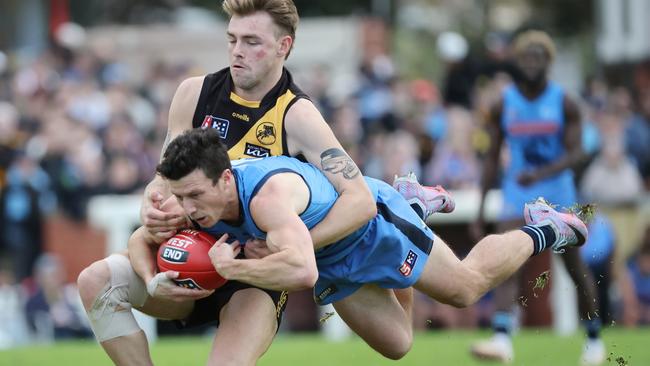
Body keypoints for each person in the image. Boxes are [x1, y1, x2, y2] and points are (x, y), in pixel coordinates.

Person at [76, 1, 446, 364]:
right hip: (193, 251)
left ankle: (404, 223)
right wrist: (151, 204)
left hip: (254, 277)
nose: (237, 52)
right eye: (232, 39)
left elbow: (358, 198)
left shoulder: (298, 115)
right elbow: (162, 178)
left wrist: (283, 248)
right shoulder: (194, 93)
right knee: (95, 281)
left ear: (283, 46)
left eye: (251, 42)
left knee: (400, 343)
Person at [155, 128, 588, 360]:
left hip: (372, 226)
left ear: (226, 178)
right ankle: (418, 208)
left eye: (195, 195)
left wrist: (231, 270)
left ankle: (543, 229)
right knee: (399, 346)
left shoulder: (268, 198)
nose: (188, 207)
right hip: (333, 262)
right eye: (181, 196)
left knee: (465, 288)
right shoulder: (202, 203)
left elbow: (300, 272)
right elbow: (146, 237)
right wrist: (153, 280)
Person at [470, 30, 604, 365]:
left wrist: (541, 176)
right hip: (518, 193)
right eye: (526, 57)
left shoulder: (564, 102)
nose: (532, 62)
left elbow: (577, 153)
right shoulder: (504, 104)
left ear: (549, 62)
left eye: (538, 56)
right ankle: (501, 338)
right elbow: (491, 158)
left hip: (558, 193)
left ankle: (594, 338)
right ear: (517, 61)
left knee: (574, 267)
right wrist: (483, 205)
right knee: (506, 262)